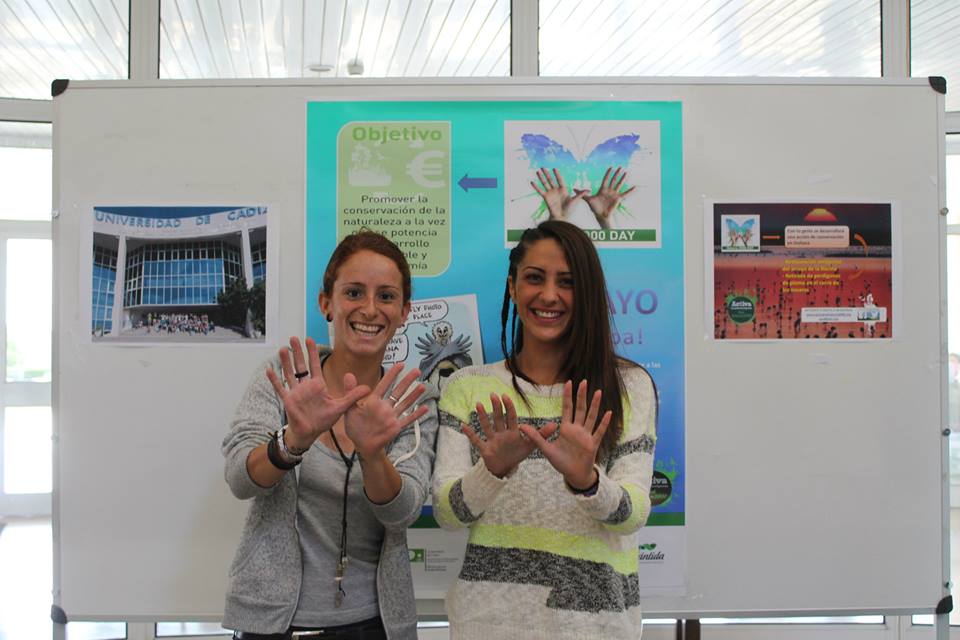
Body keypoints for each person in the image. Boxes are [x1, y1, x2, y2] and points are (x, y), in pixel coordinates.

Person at [432, 220, 658, 639]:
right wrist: (491, 472)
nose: (549, 295)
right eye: (535, 278)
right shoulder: (467, 388)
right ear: (513, 287)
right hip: (489, 626)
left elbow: (633, 515)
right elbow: (449, 515)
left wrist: (586, 481)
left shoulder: (629, 386)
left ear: (587, 293)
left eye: (567, 282)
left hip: (597, 627)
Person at [221, 231, 438, 640]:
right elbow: (239, 478)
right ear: (327, 303)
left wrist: (374, 455)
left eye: (387, 296)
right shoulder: (287, 378)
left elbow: (402, 511)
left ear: (405, 311)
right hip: (273, 624)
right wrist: (293, 441)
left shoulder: (414, 401)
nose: (370, 309)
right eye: (354, 292)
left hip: (374, 625)